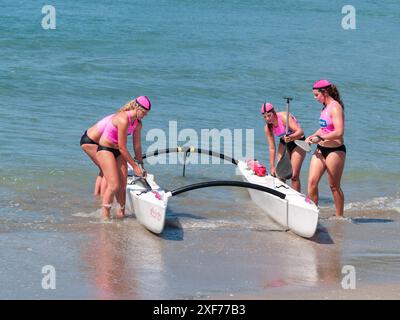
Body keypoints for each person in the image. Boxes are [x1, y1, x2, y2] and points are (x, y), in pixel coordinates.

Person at [96, 96, 151, 220]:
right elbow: (122, 147)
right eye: (144, 112)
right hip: (106, 149)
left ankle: (121, 213)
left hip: (118, 151)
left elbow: (137, 146)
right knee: (114, 185)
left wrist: (141, 166)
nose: (145, 115)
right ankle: (105, 217)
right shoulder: (122, 119)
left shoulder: (138, 124)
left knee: (122, 184)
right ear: (137, 108)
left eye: (147, 113)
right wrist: (135, 167)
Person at [305, 80, 346, 217]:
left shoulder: (335, 107)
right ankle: (312, 215)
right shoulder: (325, 107)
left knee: (334, 186)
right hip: (320, 150)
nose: (315, 98)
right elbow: (325, 128)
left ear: (325, 92)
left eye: (316, 95)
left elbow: (339, 132)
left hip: (335, 151)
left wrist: (321, 138)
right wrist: (313, 136)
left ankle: (339, 217)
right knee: (311, 183)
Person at [261, 102, 306, 192]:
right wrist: (272, 166)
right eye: (265, 117)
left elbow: (300, 131)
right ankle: (282, 196)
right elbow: (272, 148)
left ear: (274, 112)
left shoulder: (284, 118)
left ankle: (296, 199)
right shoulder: (267, 128)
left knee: (294, 176)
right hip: (284, 143)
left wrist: (291, 137)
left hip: (298, 142)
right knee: (280, 174)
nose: (267, 119)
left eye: (269, 115)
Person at [80, 114, 114, 196]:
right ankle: (103, 199)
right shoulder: (121, 120)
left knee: (103, 169)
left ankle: (96, 196)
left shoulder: (119, 117)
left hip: (89, 139)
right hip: (91, 141)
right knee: (107, 170)